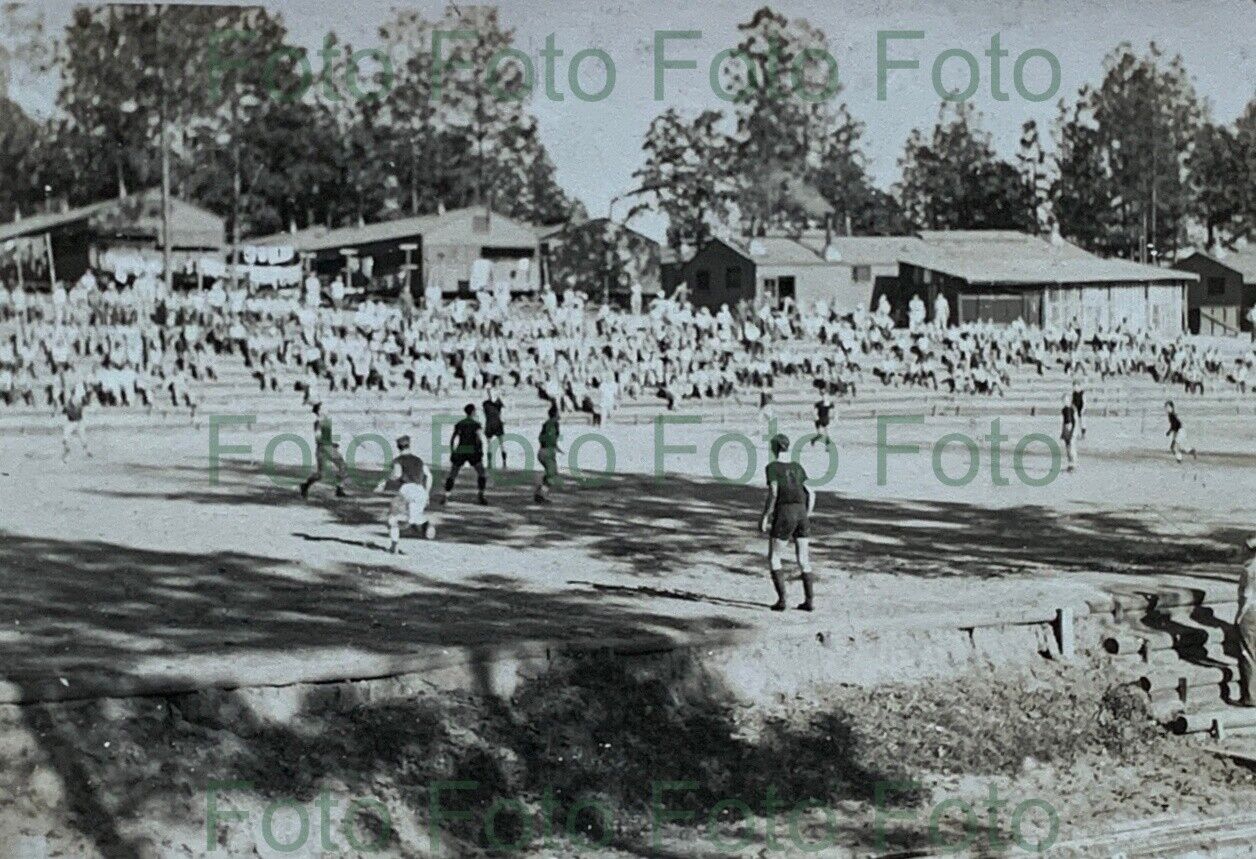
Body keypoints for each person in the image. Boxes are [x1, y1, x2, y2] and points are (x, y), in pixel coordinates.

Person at [759, 433, 815, 612]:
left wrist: (765, 516)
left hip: (785, 512)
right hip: (801, 512)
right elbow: (811, 493)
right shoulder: (798, 467)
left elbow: (774, 492)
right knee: (804, 560)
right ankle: (809, 601)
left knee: (775, 558)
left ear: (774, 448)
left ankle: (782, 600)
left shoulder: (772, 467)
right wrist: (807, 513)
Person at [384, 435, 434, 553]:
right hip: (420, 491)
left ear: (398, 447)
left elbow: (397, 474)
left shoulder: (398, 460)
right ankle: (426, 525)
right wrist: (427, 493)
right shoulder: (419, 460)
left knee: (392, 518)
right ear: (409, 445)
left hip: (407, 490)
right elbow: (429, 476)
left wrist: (386, 480)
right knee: (414, 519)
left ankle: (394, 545)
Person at [299, 402, 347, 499]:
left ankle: (305, 485)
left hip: (324, 448)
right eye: (322, 409)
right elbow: (318, 438)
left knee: (321, 474)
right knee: (341, 466)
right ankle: (339, 489)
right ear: (319, 411)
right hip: (325, 448)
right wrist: (330, 444)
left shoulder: (325, 421)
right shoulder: (319, 422)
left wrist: (332, 443)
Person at [444, 403, 487, 504]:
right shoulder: (476, 424)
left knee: (453, 474)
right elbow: (479, 439)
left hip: (461, 450)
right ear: (472, 412)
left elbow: (452, 439)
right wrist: (481, 451)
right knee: (481, 473)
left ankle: (446, 495)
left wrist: (452, 451)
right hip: (472, 451)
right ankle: (481, 495)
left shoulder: (460, 424)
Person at [1237, 534, 1256, 707]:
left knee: (1248, 653)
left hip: (1251, 613)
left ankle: (1251, 696)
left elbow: (1247, 595)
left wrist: (1240, 615)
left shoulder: (1250, 569)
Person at [534, 403, 561, 504]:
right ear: (555, 414)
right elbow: (549, 437)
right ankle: (540, 493)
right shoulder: (552, 424)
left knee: (551, 473)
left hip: (544, 451)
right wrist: (552, 445)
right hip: (547, 452)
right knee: (552, 475)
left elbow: (542, 437)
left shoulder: (548, 424)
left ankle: (540, 491)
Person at [61, 388, 90, 463]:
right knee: (81, 436)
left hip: (74, 421)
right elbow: (85, 404)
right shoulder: (75, 399)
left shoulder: (73, 400)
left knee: (67, 437)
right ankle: (87, 452)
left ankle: (67, 452)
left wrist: (66, 409)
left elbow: (65, 411)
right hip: (77, 421)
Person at [483, 386, 507, 469]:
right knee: (501, 444)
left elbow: (486, 413)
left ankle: (489, 462)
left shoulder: (485, 404)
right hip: (497, 423)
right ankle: (504, 462)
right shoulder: (498, 403)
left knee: (489, 444)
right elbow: (503, 409)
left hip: (489, 423)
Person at [1060, 392, 1078, 472]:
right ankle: (1070, 464)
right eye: (1063, 400)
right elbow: (1065, 421)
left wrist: (1074, 430)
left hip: (1072, 429)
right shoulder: (1064, 409)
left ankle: (1073, 464)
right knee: (1067, 447)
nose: (1065, 401)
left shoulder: (1071, 408)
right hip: (1066, 429)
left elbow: (1074, 420)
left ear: (1069, 400)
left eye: (1066, 399)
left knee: (1071, 447)